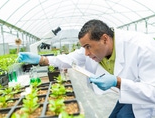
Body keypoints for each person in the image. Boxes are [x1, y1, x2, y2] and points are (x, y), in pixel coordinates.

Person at [18, 19, 155, 118]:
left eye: (88, 46)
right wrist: (41, 59)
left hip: (145, 102)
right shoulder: (98, 49)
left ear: (105, 39)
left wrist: (117, 81)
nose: (86, 53)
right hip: (127, 95)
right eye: (84, 47)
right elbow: (70, 59)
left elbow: (152, 91)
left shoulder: (142, 47)